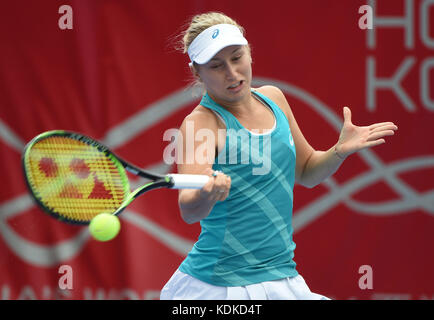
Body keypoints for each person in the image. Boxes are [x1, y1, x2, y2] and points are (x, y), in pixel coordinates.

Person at [160, 12, 398, 300]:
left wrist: (338, 152)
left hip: (282, 276)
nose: (232, 74)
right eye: (216, 66)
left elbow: (308, 171)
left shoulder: (274, 99)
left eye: (237, 58)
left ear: (249, 52)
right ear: (198, 73)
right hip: (221, 287)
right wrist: (208, 192)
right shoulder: (202, 123)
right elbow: (189, 209)